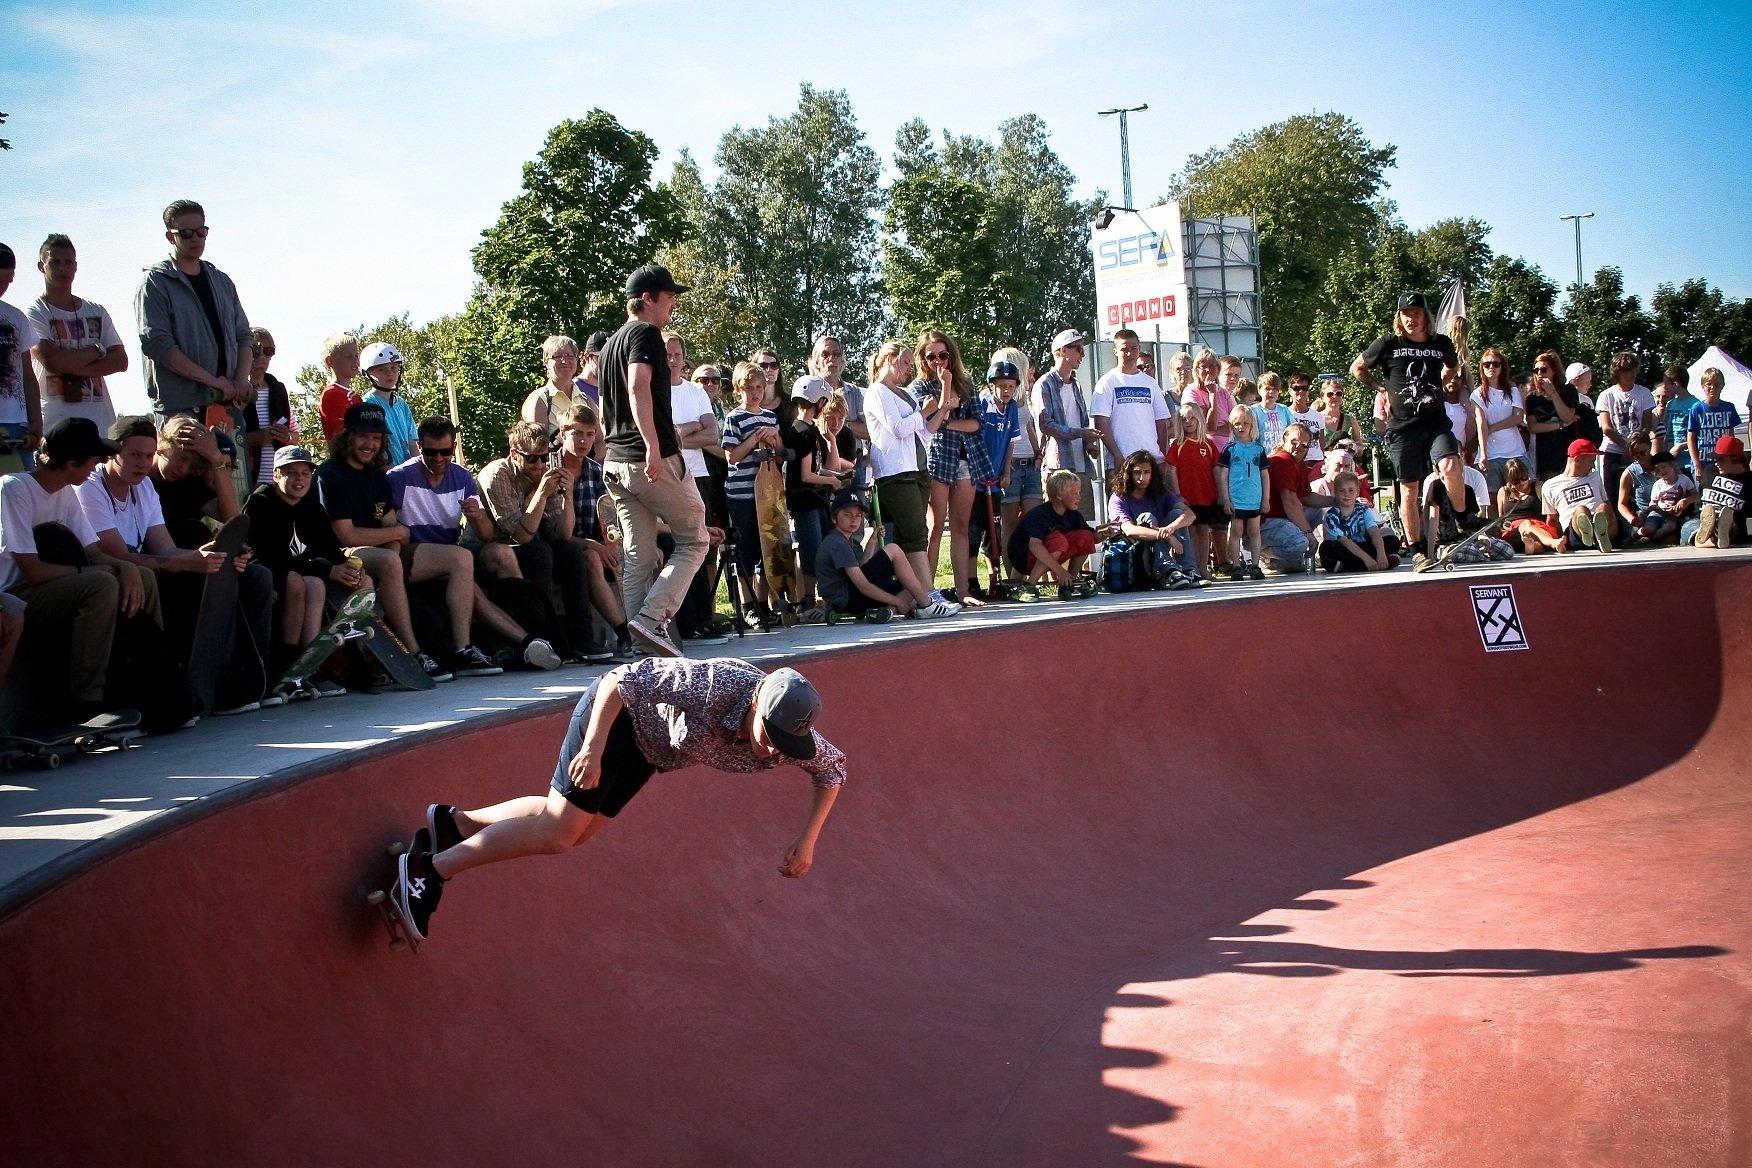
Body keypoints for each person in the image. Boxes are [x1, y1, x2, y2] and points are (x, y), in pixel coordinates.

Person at [390, 658, 848, 942]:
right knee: (557, 835)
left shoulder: (792, 736)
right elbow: (619, 680)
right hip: (615, 723)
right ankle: (428, 870)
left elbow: (833, 770)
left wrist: (807, 840)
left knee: (575, 830)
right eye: (769, 737)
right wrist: (590, 749)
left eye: (786, 744)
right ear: (755, 707)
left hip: (649, 754)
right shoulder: (713, 684)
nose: (772, 751)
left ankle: (458, 826)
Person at [80, 414, 275, 714]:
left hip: (155, 567)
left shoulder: (144, 488)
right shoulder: (93, 486)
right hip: (120, 573)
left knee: (253, 575)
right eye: (135, 455)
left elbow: (215, 529)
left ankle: (250, 678)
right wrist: (189, 562)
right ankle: (195, 684)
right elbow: (118, 555)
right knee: (190, 565)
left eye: (147, 455)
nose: (142, 463)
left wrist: (207, 555)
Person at [0, 418, 156, 724]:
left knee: (141, 576)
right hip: (15, 595)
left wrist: (126, 566)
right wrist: (95, 571)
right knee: (100, 582)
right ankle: (85, 701)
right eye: (93, 459)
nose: (98, 464)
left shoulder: (66, 492)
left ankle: (148, 679)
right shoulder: (14, 489)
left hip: (52, 589)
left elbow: (94, 553)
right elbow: (31, 571)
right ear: (71, 462)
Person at [598, 264, 709, 658]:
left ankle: (640, 648)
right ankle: (651, 620)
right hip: (648, 461)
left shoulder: (610, 343)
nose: (673, 303)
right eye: (669, 296)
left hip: (615, 462)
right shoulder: (645, 333)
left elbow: (604, 404)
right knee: (695, 538)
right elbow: (636, 384)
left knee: (638, 557)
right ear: (648, 299)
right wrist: (651, 446)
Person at [315, 402, 461, 681]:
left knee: (460, 558)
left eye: (376, 437)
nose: (370, 444)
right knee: (389, 559)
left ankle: (464, 648)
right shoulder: (329, 475)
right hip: (338, 555)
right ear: (348, 436)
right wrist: (393, 542)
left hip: (381, 554)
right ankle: (414, 651)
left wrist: (392, 548)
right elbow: (347, 535)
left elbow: (394, 527)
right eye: (363, 436)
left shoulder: (378, 477)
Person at [383, 416, 531, 676]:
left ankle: (528, 642)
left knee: (480, 587)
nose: (439, 459)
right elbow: (389, 530)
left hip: (446, 557)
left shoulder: (462, 477)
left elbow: (486, 534)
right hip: (411, 553)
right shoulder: (399, 477)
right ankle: (463, 648)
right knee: (462, 559)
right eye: (430, 452)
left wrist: (478, 515)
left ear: (453, 447)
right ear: (420, 447)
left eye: (446, 452)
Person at [244, 445, 367, 698]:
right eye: (291, 473)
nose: (299, 479)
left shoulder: (312, 508)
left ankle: (310, 667)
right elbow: (271, 558)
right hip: (265, 577)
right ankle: (284, 667)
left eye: (305, 473)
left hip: (301, 576)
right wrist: (327, 569)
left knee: (321, 583)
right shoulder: (261, 503)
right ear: (276, 475)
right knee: (300, 582)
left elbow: (332, 552)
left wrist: (347, 568)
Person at [476, 421, 594, 664]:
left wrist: (567, 496)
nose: (539, 465)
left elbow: (562, 534)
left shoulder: (543, 473)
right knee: (539, 553)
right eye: (531, 459)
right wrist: (541, 492)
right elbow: (519, 536)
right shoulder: (498, 475)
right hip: (488, 548)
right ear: (514, 454)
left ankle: (582, 639)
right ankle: (546, 637)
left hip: (527, 544)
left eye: (543, 458)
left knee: (570, 551)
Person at [1351, 292, 1460, 554]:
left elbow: (1453, 366)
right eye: (1406, 313)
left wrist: (1445, 379)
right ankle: (1415, 548)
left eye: (1417, 313)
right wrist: (1379, 387)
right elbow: (1357, 368)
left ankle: (1464, 515)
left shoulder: (1440, 343)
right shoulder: (1388, 343)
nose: (1412, 318)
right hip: (1402, 426)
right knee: (1409, 488)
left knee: (1450, 464)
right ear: (1399, 317)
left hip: (1435, 421)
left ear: (1426, 316)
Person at [133, 200, 253, 420]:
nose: (196, 239)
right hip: (182, 408)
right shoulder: (155, 282)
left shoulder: (222, 281)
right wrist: (212, 381)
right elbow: (158, 345)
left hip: (227, 406)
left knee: (230, 456)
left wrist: (241, 379)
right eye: (187, 233)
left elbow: (244, 336)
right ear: (171, 237)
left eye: (201, 232)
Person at [552, 408, 638, 661]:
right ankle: (624, 632)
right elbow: (557, 533)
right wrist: (594, 545)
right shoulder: (551, 469)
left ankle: (651, 626)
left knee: (648, 549)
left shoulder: (595, 470)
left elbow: (612, 515)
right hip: (557, 544)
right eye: (576, 433)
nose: (582, 441)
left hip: (593, 541)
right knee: (590, 557)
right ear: (562, 433)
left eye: (589, 435)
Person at [865, 340, 946, 598]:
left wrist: (940, 410)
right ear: (889, 359)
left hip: (917, 469)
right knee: (914, 534)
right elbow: (898, 428)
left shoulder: (905, 393)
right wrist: (923, 413)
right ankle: (928, 594)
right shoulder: (877, 392)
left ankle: (910, 596)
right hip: (895, 473)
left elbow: (925, 433)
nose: (909, 368)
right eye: (905, 362)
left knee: (909, 534)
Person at [915, 330, 989, 606]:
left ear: (951, 355)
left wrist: (946, 422)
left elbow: (976, 423)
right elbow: (925, 423)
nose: (937, 361)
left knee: (961, 528)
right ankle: (928, 592)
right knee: (934, 528)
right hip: (937, 461)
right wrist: (945, 399)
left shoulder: (966, 383)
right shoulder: (920, 387)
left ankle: (963, 591)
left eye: (943, 355)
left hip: (965, 460)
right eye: (931, 356)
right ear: (923, 358)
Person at [27, 234, 127, 432]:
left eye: (68, 262)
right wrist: (98, 350)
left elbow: (120, 361)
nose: (63, 268)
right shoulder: (34, 312)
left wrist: (72, 367)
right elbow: (54, 362)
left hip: (98, 421)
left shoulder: (96, 311)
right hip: (55, 423)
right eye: (55, 262)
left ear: (76, 266)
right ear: (41, 266)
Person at [815, 489, 949, 618]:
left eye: (858, 515)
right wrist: (899, 602)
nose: (854, 520)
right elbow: (863, 586)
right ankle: (926, 605)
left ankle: (890, 610)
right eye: (847, 515)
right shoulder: (837, 543)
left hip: (849, 596)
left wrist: (873, 539)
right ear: (834, 519)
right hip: (846, 599)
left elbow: (862, 567)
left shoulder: (844, 540)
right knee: (893, 549)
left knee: (912, 587)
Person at [722, 359, 785, 627]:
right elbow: (731, 456)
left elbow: (781, 454)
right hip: (742, 495)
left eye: (760, 387)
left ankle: (763, 603)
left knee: (767, 548)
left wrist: (774, 439)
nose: (756, 393)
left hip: (768, 491)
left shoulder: (771, 417)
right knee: (746, 551)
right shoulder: (734, 418)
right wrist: (753, 439)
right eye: (749, 388)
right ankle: (747, 605)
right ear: (738, 389)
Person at [969, 359, 1023, 596]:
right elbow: (974, 439)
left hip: (996, 480)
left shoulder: (1011, 408)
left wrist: (1007, 470)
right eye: (1002, 386)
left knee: (994, 532)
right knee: (974, 530)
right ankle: (971, 580)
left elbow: (1011, 441)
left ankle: (995, 579)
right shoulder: (983, 404)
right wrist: (978, 470)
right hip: (977, 478)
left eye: (1011, 386)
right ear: (991, 386)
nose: (1007, 391)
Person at [1108, 450, 1196, 588]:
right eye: (1137, 472)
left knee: (1177, 514)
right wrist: (1166, 536)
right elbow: (1129, 529)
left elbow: (1190, 514)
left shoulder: (1161, 492)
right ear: (1129, 474)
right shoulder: (1119, 497)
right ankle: (1168, 571)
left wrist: (1171, 528)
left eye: (1146, 472)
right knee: (1147, 517)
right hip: (1136, 551)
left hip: (1161, 544)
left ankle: (1188, 570)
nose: (1142, 478)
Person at [1032, 329, 1100, 508]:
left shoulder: (1077, 384)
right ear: (1062, 351)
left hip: (1081, 466)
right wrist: (1081, 433)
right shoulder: (1044, 384)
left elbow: (1082, 421)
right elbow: (1046, 425)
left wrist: (1090, 444)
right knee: (1057, 525)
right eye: (1078, 349)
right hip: (1057, 466)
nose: (1082, 354)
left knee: (1082, 526)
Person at [1007, 469, 1100, 596]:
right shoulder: (1041, 514)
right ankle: (1030, 585)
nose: (1079, 497)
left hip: (1049, 555)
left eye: (1079, 492)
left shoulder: (1073, 515)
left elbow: (1092, 538)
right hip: (1023, 557)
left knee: (1085, 536)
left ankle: (1068, 582)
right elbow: (1035, 546)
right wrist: (1060, 571)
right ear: (1059, 495)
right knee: (1058, 540)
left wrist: (1106, 533)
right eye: (1074, 493)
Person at [1090, 329, 1174, 468]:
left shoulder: (1151, 383)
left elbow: (1161, 422)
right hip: (1122, 461)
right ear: (1116, 351)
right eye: (1124, 349)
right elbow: (1101, 423)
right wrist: (1117, 455)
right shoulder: (1107, 382)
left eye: (1133, 348)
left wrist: (1161, 456)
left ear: (1139, 349)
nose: (1129, 354)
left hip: (1151, 461)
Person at [1260, 424, 1334, 573]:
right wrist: (1308, 534)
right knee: (1300, 543)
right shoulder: (1281, 461)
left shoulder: (1298, 463)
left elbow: (1306, 497)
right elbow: (1290, 502)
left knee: (1318, 512)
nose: (1298, 447)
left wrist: (1338, 500)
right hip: (1266, 523)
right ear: (1284, 440)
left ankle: (1289, 555)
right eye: (1294, 442)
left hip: (1283, 519)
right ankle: (1265, 557)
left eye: (1304, 445)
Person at [990, 345, 1044, 544]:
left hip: (1030, 464)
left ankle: (1025, 574)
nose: (1029, 371)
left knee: (1034, 524)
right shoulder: (997, 400)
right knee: (1010, 527)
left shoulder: (1022, 399)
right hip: (1011, 467)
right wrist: (1003, 465)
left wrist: (1038, 454)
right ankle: (1012, 575)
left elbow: (1028, 427)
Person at [0, 244, 46, 472]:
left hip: (19, 426)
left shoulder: (16, 317)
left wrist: (36, 421)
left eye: (6, 282)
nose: (2, 287)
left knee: (23, 494)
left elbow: (28, 374)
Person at [1165, 405, 1222, 579]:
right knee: (1189, 532)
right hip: (1187, 498)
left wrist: (1221, 493)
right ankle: (1189, 567)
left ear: (1199, 420)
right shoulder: (1178, 445)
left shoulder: (1209, 444)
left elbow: (1216, 470)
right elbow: (1171, 470)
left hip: (1206, 496)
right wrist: (1178, 494)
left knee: (1204, 532)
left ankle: (1203, 567)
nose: (1188, 422)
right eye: (1184, 419)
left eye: (1192, 418)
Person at [1216, 405, 1269, 580]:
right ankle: (1236, 566)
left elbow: (1264, 475)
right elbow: (1223, 475)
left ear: (1252, 425)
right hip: (1236, 498)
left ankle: (1255, 565)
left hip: (1254, 497)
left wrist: (1265, 499)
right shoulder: (1229, 449)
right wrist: (1226, 499)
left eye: (1245, 423)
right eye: (1237, 423)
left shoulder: (1258, 449)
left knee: (1254, 531)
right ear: (1232, 426)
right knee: (1236, 531)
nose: (1241, 427)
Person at [1540, 438, 1615, 553]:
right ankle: (1590, 536)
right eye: (1590, 461)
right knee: (1581, 510)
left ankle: (1600, 536)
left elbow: (1607, 502)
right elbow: (1552, 519)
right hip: (1576, 531)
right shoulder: (1550, 485)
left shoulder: (1595, 475)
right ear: (1577, 460)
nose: (1593, 465)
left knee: (1603, 507)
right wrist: (1555, 542)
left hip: (1603, 524)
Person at [1470, 346, 1527, 495]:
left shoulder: (1512, 390)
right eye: (1487, 364)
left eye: (1496, 364)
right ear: (1481, 367)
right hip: (1492, 453)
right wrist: (1483, 454)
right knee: (1493, 497)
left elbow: (1517, 417)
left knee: (1522, 493)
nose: (1491, 367)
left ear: (1502, 367)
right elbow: (1481, 423)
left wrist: (1493, 427)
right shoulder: (1477, 394)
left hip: (1514, 451)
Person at [1594, 352, 1655, 489]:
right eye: (1627, 371)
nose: (1632, 374)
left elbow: (1646, 425)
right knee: (1612, 491)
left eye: (1634, 370)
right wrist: (1626, 447)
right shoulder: (1606, 395)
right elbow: (1607, 428)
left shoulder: (1644, 393)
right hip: (1613, 450)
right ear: (1618, 372)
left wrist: (1635, 447)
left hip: (1639, 451)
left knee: (1640, 491)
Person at [1319, 471, 1400, 573]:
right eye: (1342, 491)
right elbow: (1345, 542)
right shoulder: (1331, 516)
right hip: (1346, 549)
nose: (1346, 494)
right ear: (1335, 493)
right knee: (1326, 548)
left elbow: (1374, 532)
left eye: (1351, 490)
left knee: (1392, 540)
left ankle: (1352, 566)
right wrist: (1367, 559)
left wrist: (1381, 553)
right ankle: (1373, 564)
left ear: (1357, 492)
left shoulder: (1363, 510)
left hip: (1362, 545)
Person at [1525, 349, 1583, 478]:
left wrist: (1553, 393)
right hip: (1546, 459)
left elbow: (1567, 415)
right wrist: (1561, 425)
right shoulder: (1532, 398)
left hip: (1569, 455)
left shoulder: (1568, 390)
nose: (1539, 374)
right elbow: (1533, 427)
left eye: (1544, 370)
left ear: (1554, 371)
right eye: (1536, 371)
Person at [359, 342, 419, 464]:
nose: (389, 373)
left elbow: (412, 442)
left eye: (393, 368)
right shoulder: (367, 404)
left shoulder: (401, 404)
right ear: (368, 374)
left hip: (407, 472)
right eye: (381, 369)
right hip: (385, 473)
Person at [1688, 435, 1752, 549]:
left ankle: (1716, 535)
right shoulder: (1710, 471)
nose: (1716, 463)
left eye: (1721, 459)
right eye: (1715, 459)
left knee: (1731, 527)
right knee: (1688, 528)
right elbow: (1700, 496)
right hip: (1701, 519)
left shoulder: (1749, 482)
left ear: (1735, 459)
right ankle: (1714, 538)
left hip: (1730, 523)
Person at [1497, 459, 1566, 555]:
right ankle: (1553, 543)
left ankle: (1530, 548)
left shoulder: (1538, 486)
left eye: (1524, 478)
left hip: (1539, 527)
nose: (1521, 483)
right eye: (1515, 481)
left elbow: (1551, 512)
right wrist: (1504, 528)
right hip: (1514, 531)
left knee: (1536, 543)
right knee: (1525, 524)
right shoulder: (1503, 492)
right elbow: (1501, 519)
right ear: (1509, 481)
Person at [1686, 368, 1743, 484]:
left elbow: (1731, 437)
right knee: (1703, 497)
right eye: (1709, 384)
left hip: (1723, 462)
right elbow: (1691, 439)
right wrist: (1697, 465)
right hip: (1703, 462)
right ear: (1703, 386)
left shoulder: (1729, 407)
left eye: (1717, 384)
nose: (1713, 387)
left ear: (1722, 386)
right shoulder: (1697, 409)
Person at [521, 335, 585, 434]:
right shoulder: (540, 400)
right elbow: (536, 445)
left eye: (570, 355)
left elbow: (599, 441)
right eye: (557, 356)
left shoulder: (585, 399)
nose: (564, 361)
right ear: (546, 363)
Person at [1638, 451, 1696, 544]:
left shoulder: (1684, 479)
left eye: (1663, 467)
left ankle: (1651, 540)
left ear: (1673, 465)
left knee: (1670, 526)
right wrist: (1656, 507)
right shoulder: (1658, 484)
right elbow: (1653, 503)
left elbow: (1696, 495)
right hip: (1658, 512)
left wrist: (1686, 500)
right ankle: (1638, 534)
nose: (1661, 471)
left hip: (1673, 514)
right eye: (1657, 470)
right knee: (1648, 529)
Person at [1652, 365, 1697, 473]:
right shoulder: (1671, 404)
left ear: (1675, 384)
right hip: (1672, 462)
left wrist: (1681, 446)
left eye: (1666, 384)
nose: (1665, 387)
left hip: (1689, 461)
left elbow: (1699, 436)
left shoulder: (1695, 405)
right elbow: (1666, 431)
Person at [317, 333, 362, 441]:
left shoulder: (355, 397)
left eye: (356, 355)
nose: (355, 361)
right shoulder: (331, 395)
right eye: (349, 356)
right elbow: (342, 433)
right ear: (330, 361)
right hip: (344, 455)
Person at [1251, 371, 1293, 451]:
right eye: (1267, 389)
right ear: (1259, 390)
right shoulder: (1253, 411)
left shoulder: (1284, 410)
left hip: (1280, 455)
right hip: (1261, 456)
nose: (1271, 392)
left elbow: (1292, 430)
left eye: (1275, 389)